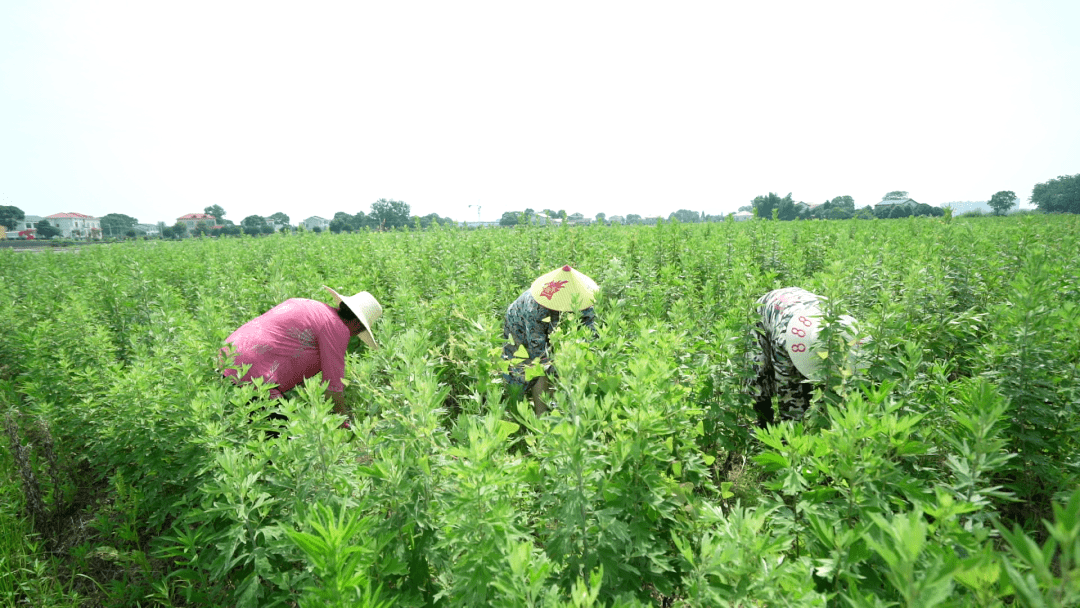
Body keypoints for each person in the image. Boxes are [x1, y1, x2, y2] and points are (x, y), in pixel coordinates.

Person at [221, 287, 382, 429]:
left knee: (242, 431)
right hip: (253, 375)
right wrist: (342, 422)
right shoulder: (337, 327)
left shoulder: (309, 305)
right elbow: (333, 386)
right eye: (358, 332)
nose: (353, 336)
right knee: (283, 443)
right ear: (357, 325)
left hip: (226, 357)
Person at [747, 287, 870, 427]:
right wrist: (794, 431)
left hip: (800, 302)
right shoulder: (783, 340)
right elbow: (787, 388)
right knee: (760, 370)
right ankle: (763, 421)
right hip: (768, 309)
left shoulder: (843, 322)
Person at [502, 265, 599, 415]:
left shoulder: (582, 301)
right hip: (520, 325)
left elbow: (590, 334)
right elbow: (539, 356)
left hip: (555, 328)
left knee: (563, 365)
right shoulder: (535, 307)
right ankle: (540, 416)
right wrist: (557, 369)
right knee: (532, 369)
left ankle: (558, 409)